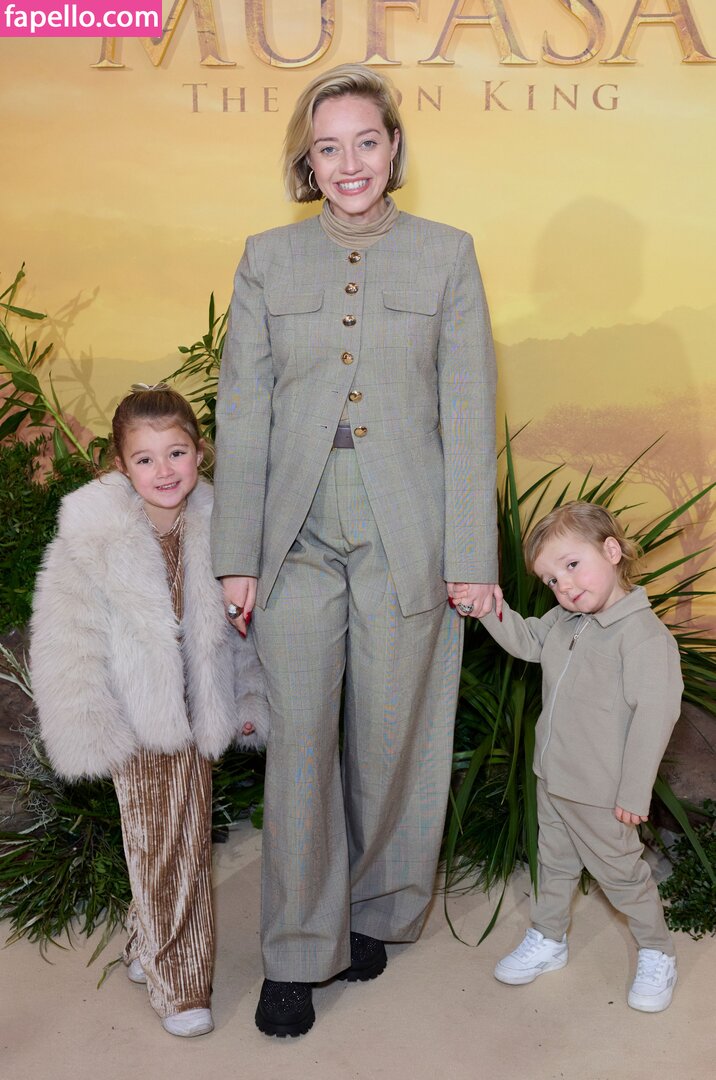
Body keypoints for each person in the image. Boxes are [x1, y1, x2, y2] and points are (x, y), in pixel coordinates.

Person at [211, 63, 499, 1037]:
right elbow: (242, 411)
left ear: (392, 147)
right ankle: (296, 951)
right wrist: (236, 554)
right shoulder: (265, 259)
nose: (348, 163)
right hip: (292, 531)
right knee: (299, 744)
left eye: (365, 142)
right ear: (306, 158)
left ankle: (376, 909)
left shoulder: (447, 255)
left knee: (390, 737)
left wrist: (470, 556)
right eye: (327, 146)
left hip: (408, 527)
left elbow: (468, 412)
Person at [31, 385, 269, 1038]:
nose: (164, 470)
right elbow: (65, 636)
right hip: (131, 719)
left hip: (197, 715)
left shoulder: (221, 524)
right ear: (120, 463)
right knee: (165, 847)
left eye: (176, 452)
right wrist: (88, 721)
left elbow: (241, 627)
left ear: (200, 451)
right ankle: (181, 985)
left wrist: (248, 698)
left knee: (175, 842)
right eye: (145, 459)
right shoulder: (91, 535)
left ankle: (145, 941)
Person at [468, 501, 682, 1013]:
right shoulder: (566, 620)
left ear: (611, 551)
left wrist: (634, 793)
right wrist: (488, 608)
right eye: (551, 580)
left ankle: (657, 950)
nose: (564, 586)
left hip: (603, 794)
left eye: (571, 565)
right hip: (553, 778)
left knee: (622, 876)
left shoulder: (644, 638)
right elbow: (528, 641)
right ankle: (549, 937)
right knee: (555, 864)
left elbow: (655, 718)